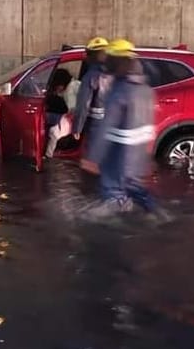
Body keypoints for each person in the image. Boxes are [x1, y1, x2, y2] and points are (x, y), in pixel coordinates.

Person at [81, 39, 160, 216]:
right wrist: (148, 158)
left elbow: (106, 126)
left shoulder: (120, 90)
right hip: (138, 160)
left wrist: (93, 158)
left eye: (109, 58)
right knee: (140, 195)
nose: (105, 61)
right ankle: (160, 218)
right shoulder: (146, 89)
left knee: (113, 201)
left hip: (117, 161)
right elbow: (150, 130)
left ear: (118, 61)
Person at [73, 36, 111, 166]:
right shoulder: (115, 73)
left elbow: (83, 104)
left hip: (96, 125)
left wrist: (77, 127)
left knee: (92, 162)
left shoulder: (90, 76)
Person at [45, 68, 73, 159]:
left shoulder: (71, 89)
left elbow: (71, 110)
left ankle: (48, 155)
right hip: (70, 118)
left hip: (70, 119)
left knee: (44, 117)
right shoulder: (74, 85)